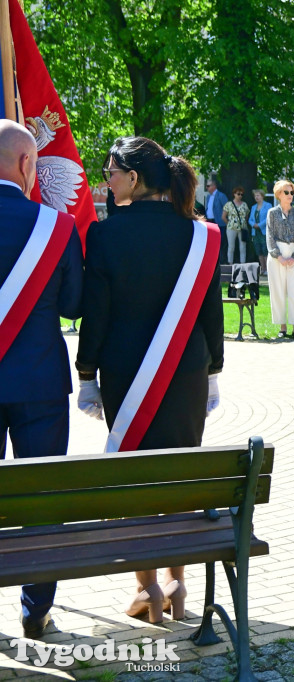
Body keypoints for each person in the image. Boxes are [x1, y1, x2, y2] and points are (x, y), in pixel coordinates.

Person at [76, 136, 224, 625]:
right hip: (186, 374)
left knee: (136, 481)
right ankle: (179, 582)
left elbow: (96, 314)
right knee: (178, 478)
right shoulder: (200, 233)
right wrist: (215, 370)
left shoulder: (105, 235)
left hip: (126, 375)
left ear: (133, 179)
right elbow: (210, 313)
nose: (106, 181)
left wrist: (86, 373)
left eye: (111, 172)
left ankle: (148, 591)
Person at [0, 120, 83, 639]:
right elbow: (75, 305)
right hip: (40, 383)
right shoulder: (57, 228)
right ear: (29, 165)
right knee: (42, 497)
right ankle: (36, 610)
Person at [266, 180, 294, 339]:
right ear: (279, 194)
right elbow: (269, 236)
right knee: (278, 291)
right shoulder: (272, 213)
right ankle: (282, 328)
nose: (290, 195)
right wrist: (278, 255)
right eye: (286, 192)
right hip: (277, 254)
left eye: (292, 193)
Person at [222, 186, 249, 264]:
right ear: (234, 194)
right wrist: (229, 224)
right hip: (231, 228)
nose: (240, 196)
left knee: (243, 246)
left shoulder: (244, 204)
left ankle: (242, 264)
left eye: (242, 194)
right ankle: (230, 263)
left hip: (242, 228)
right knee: (231, 246)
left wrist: (242, 223)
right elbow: (223, 217)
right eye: (238, 194)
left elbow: (246, 216)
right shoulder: (229, 204)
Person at [204, 178, 228, 261]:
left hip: (219, 223)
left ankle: (222, 260)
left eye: (208, 186)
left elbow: (227, 209)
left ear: (214, 186)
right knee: (212, 242)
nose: (207, 188)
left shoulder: (221, 195)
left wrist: (224, 220)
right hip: (210, 222)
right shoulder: (208, 196)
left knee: (221, 242)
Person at [249, 188, 271, 274]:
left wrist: (259, 225)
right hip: (255, 232)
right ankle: (263, 269)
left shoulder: (268, 205)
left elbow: (268, 218)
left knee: (265, 250)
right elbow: (250, 219)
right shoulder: (253, 207)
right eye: (255, 196)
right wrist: (253, 224)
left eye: (258, 195)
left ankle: (268, 270)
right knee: (259, 251)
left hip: (264, 231)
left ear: (262, 196)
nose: (256, 197)